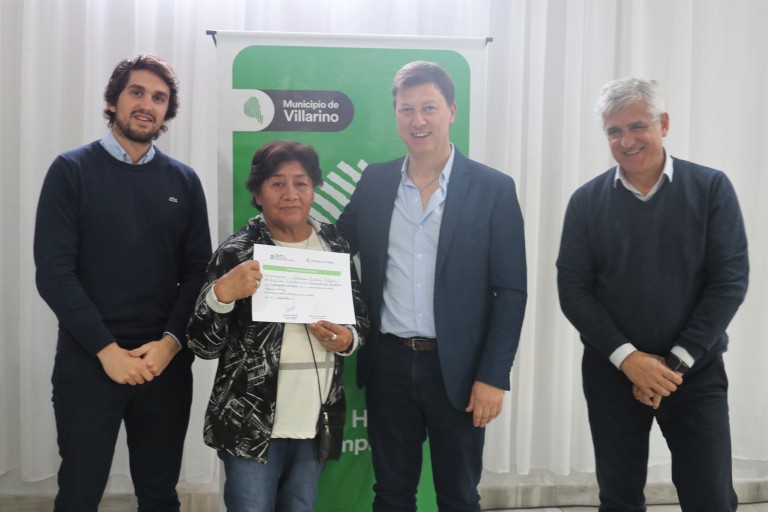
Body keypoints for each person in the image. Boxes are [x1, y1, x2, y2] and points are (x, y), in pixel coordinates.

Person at [337, 61, 527, 511]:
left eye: (429, 108)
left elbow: (511, 291)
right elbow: (335, 248)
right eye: (406, 109)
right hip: (388, 364)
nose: (417, 120)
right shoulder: (376, 181)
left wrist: (492, 376)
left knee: (458, 495)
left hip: (459, 370)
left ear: (451, 111)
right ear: (396, 115)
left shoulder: (493, 188)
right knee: (392, 493)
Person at [556, 77, 749, 511]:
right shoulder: (586, 202)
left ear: (663, 124)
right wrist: (630, 360)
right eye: (614, 131)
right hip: (613, 373)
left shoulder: (711, 188)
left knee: (711, 498)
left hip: (694, 372)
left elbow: (729, 280)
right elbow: (573, 290)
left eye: (637, 126)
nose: (626, 141)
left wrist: (672, 365)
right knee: (619, 498)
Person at [33, 54, 212, 511]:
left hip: (163, 365)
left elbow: (198, 273)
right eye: (137, 92)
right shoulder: (71, 171)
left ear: (167, 112)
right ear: (113, 101)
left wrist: (170, 344)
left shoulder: (184, 182)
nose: (147, 105)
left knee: (159, 494)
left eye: (159, 98)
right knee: (79, 493)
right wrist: (107, 351)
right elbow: (53, 273)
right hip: (89, 361)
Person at [186, 140, 369, 512]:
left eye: (301, 183)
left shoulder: (334, 244)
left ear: (313, 189)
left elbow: (359, 316)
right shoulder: (237, 252)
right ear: (258, 194)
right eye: (277, 184)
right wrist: (220, 296)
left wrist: (348, 339)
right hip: (250, 424)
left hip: (315, 421)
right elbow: (202, 346)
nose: (291, 194)